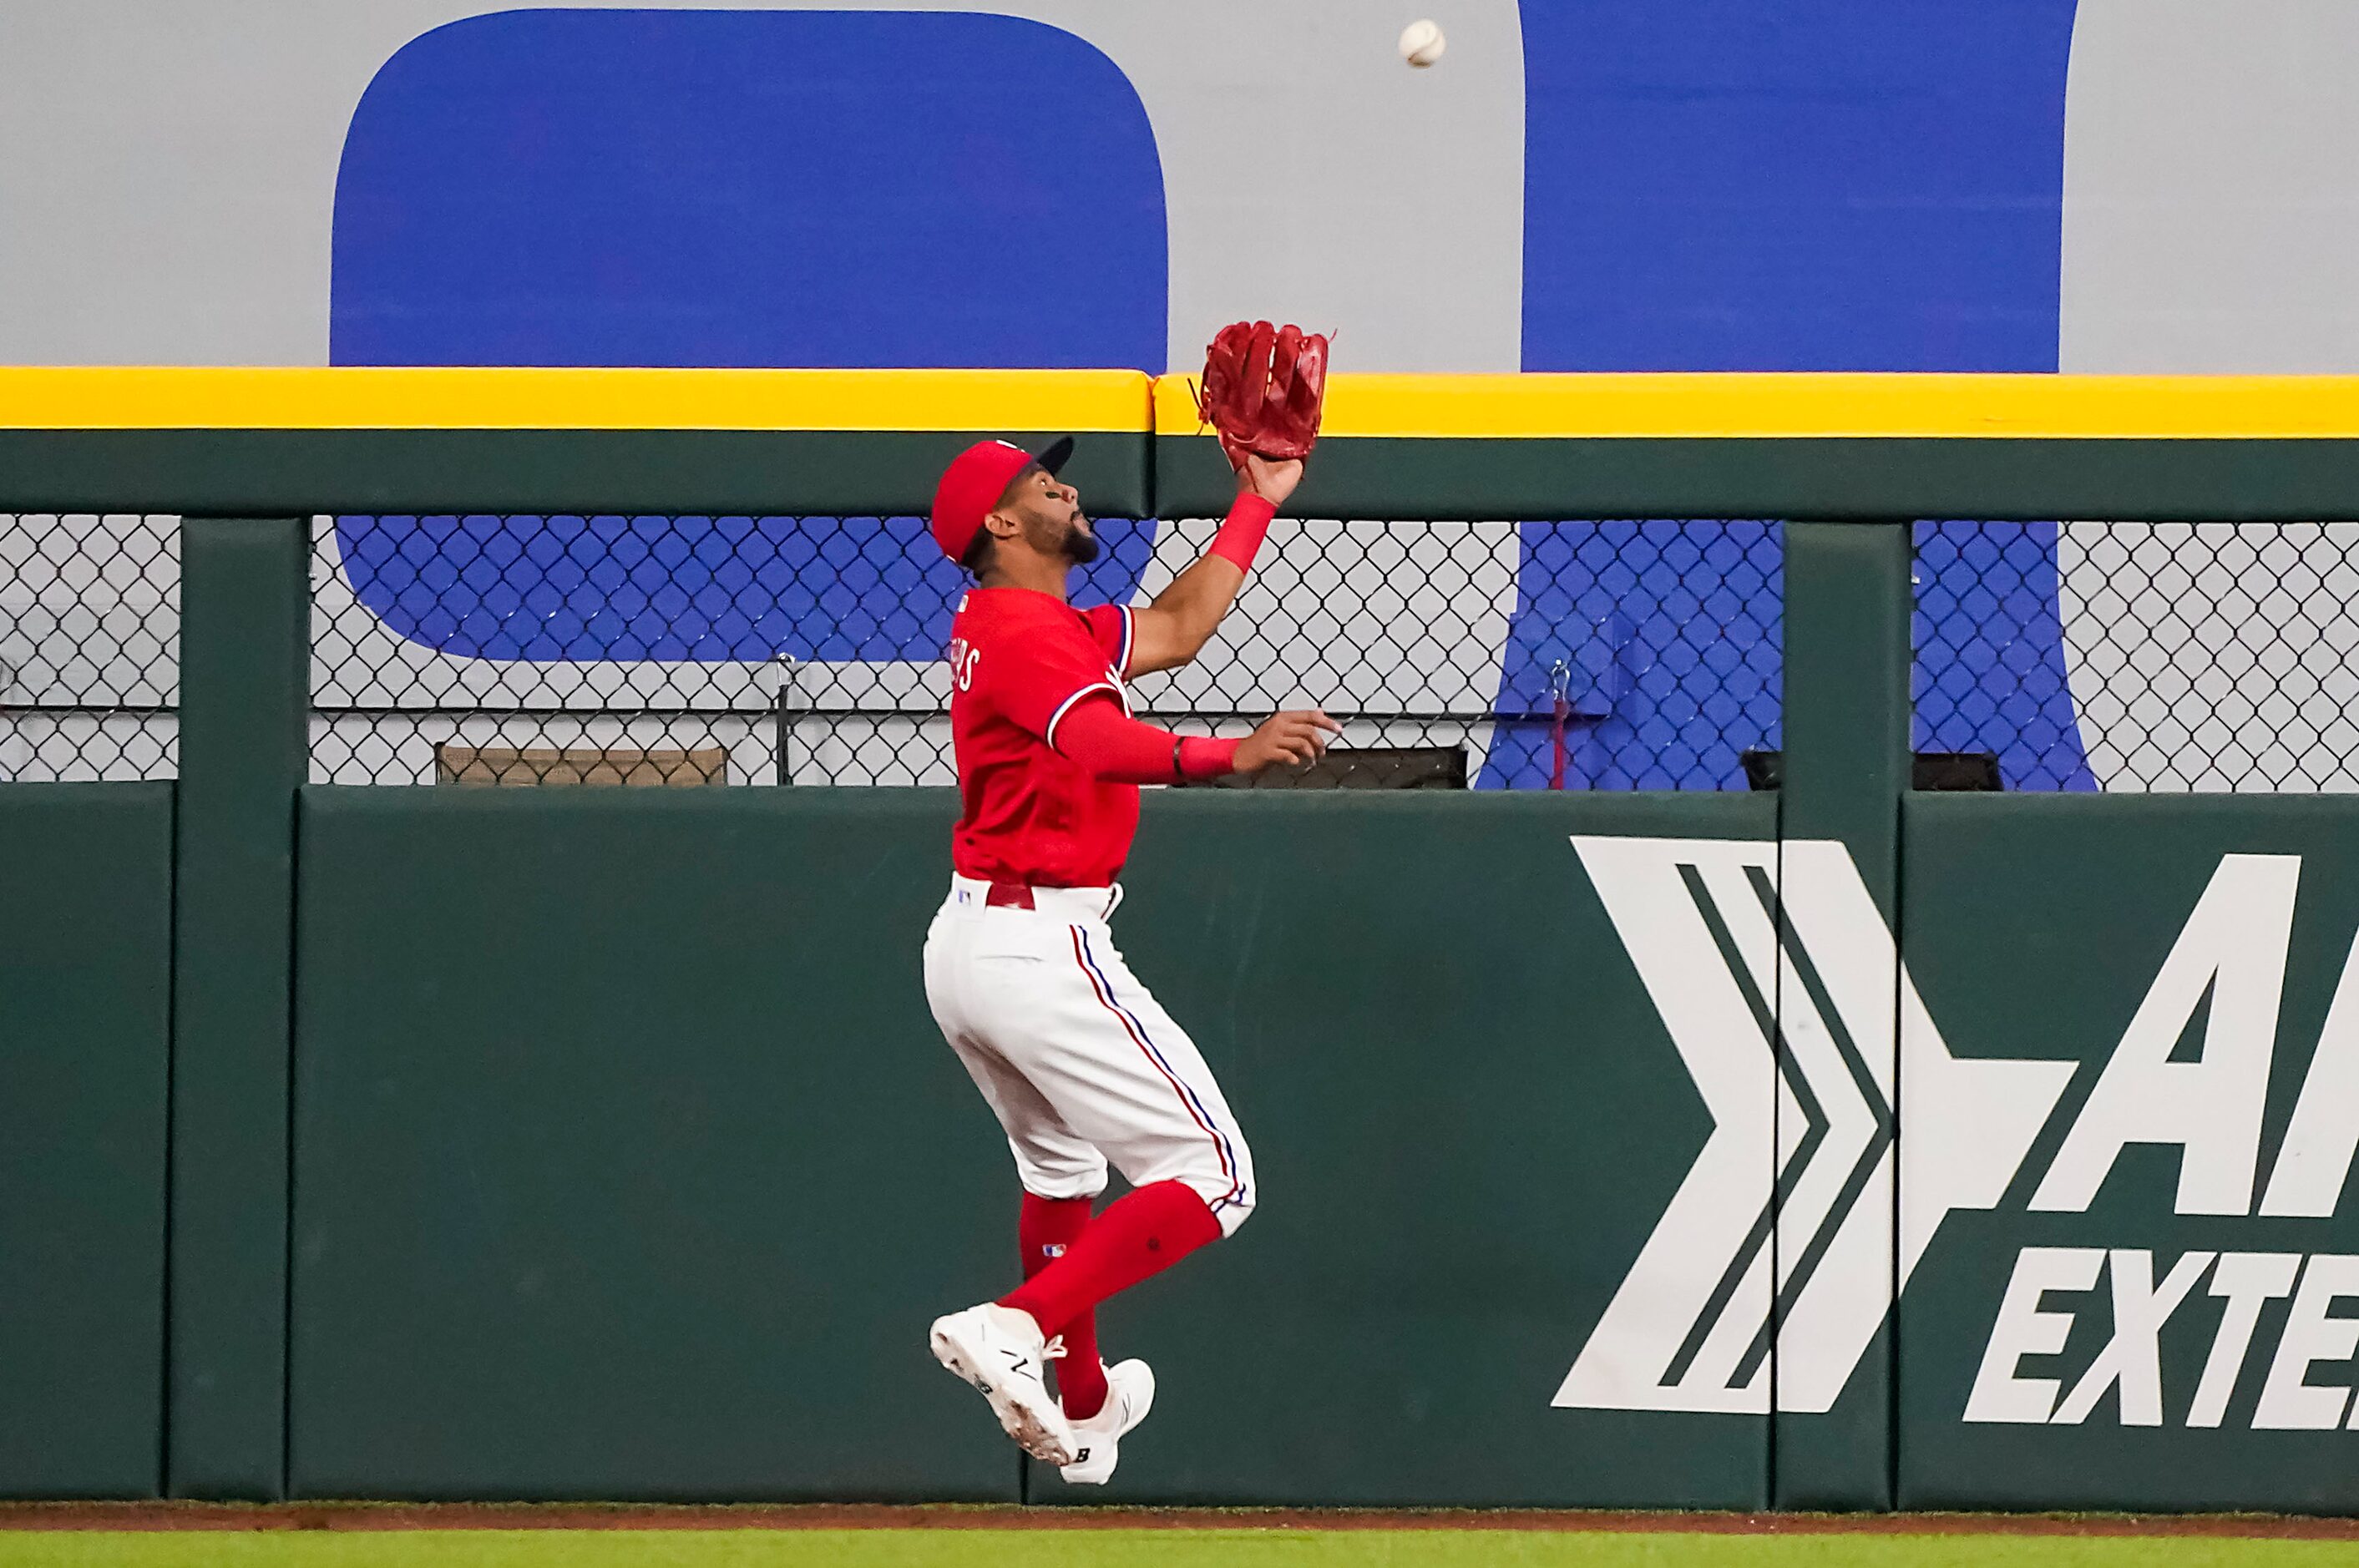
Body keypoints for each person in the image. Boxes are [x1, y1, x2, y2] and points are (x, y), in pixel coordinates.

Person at [921, 434, 1336, 1485]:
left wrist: (1254, 500)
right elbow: (1097, 744)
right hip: (1038, 943)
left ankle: (1086, 1399)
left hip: (975, 940)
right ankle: (1015, 1327)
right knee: (1215, 1176)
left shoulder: (1037, 624)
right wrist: (1223, 755)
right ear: (1005, 526)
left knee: (1061, 1172)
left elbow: (1185, 624)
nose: (1068, 486)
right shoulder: (1024, 634)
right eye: (1042, 483)